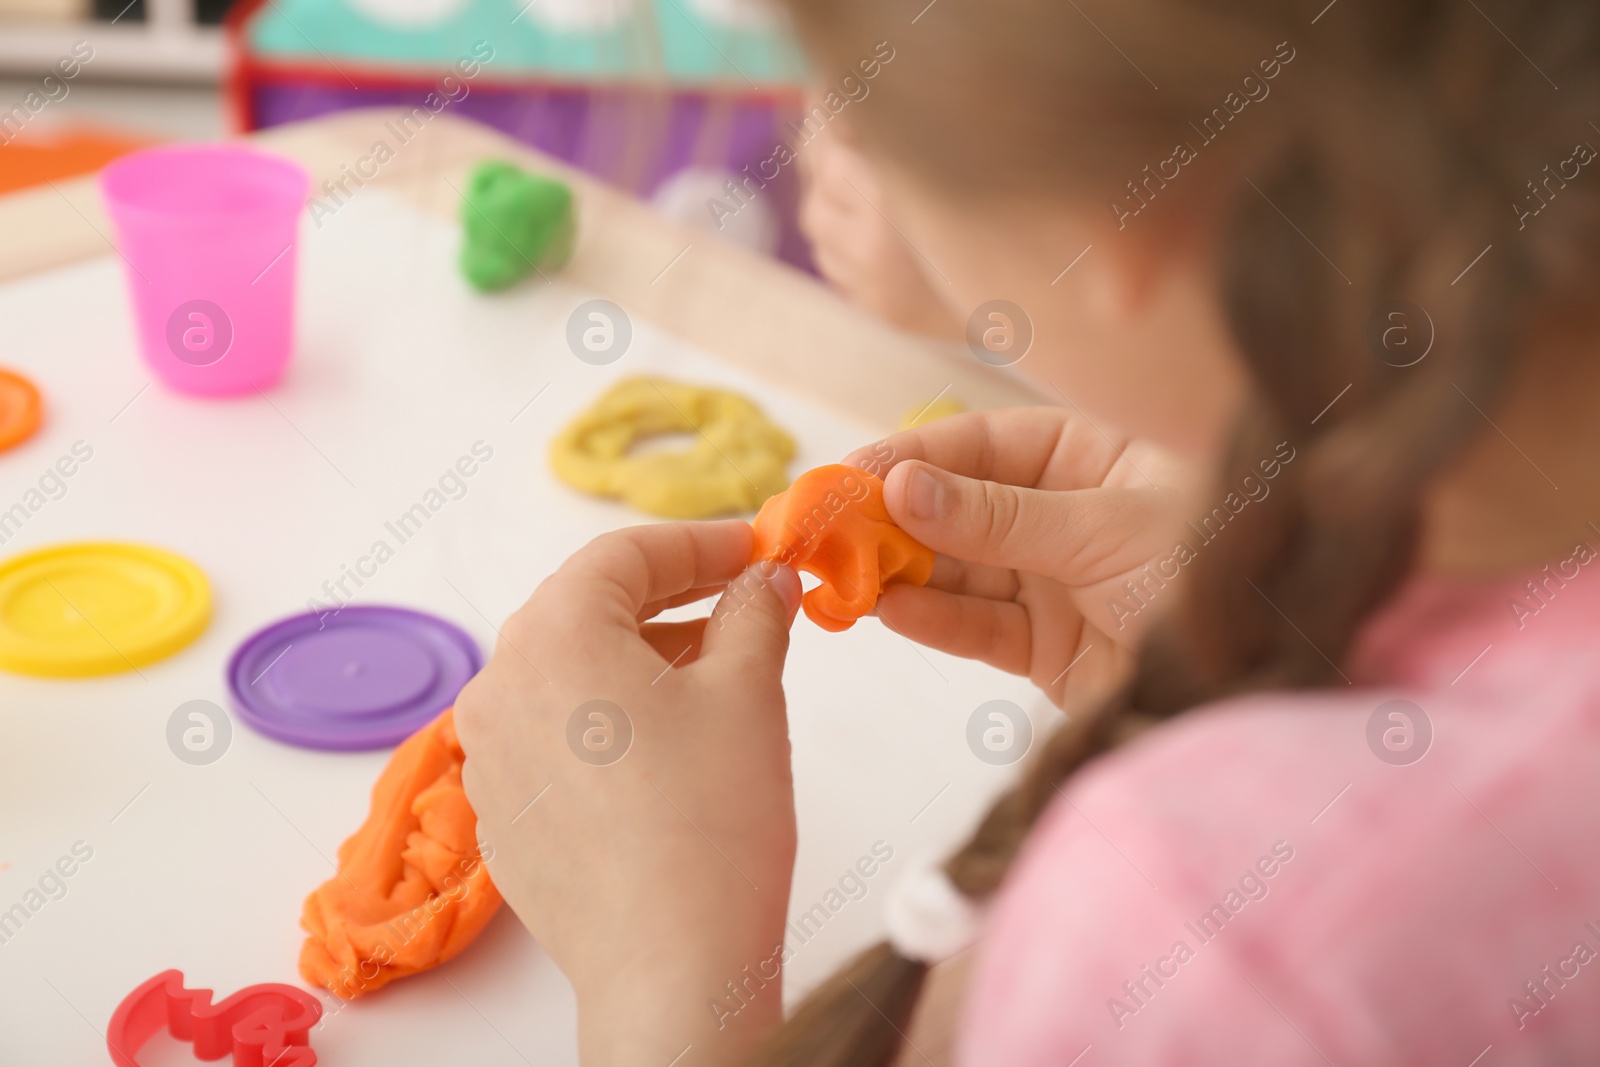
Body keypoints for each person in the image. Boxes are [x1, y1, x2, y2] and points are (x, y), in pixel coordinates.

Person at [454, 1, 1600, 1063]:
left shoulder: (1218, 949)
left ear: (1113, 230)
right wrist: (1251, 655)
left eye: (861, 117)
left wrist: (664, 971)